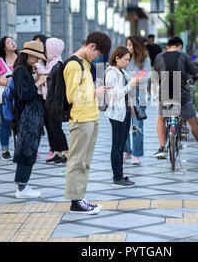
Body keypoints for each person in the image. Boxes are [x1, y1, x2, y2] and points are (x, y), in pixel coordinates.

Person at [64, 31, 111, 214]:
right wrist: (95, 93)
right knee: (77, 161)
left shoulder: (85, 62)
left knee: (85, 161)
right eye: (97, 54)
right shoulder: (74, 65)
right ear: (91, 46)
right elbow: (72, 95)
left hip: (90, 117)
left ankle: (80, 197)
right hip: (81, 119)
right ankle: (75, 201)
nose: (97, 58)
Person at [153, 36, 198, 159]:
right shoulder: (183, 55)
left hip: (165, 93)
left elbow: (156, 76)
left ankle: (161, 148)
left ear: (168, 47)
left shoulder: (159, 57)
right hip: (181, 93)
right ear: (180, 46)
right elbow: (196, 73)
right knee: (193, 122)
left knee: (161, 119)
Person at [12, 41, 48, 199]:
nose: (37, 60)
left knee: (30, 149)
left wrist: (37, 76)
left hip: (32, 116)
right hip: (27, 117)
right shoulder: (20, 71)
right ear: (27, 54)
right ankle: (21, 187)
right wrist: (38, 82)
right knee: (26, 150)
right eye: (36, 57)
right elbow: (24, 94)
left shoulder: (25, 70)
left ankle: (23, 184)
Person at [105, 46, 142, 188]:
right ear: (117, 59)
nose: (127, 62)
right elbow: (115, 95)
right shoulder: (111, 73)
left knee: (121, 146)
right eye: (125, 59)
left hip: (124, 113)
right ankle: (117, 177)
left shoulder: (121, 71)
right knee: (117, 147)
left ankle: (119, 175)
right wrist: (130, 85)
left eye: (128, 60)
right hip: (117, 114)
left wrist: (135, 80)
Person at [34, 37, 70, 164]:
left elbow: (48, 76)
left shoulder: (56, 62)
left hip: (54, 101)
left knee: (56, 127)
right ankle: (58, 152)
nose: (45, 50)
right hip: (48, 99)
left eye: (47, 48)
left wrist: (39, 66)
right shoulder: (50, 61)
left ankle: (66, 153)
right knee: (51, 127)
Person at [123, 35, 151, 165]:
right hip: (125, 93)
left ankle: (136, 153)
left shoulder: (145, 59)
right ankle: (126, 151)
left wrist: (131, 79)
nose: (128, 47)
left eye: (130, 45)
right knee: (123, 124)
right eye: (127, 45)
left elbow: (146, 74)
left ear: (137, 46)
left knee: (137, 126)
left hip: (139, 94)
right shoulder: (125, 58)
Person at [0, 36, 17, 161]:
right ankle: (5, 151)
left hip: (19, 97)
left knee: (20, 123)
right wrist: (6, 82)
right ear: (4, 47)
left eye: (13, 41)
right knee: (6, 123)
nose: (12, 43)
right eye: (9, 42)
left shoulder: (20, 59)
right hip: (4, 98)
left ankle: (21, 148)